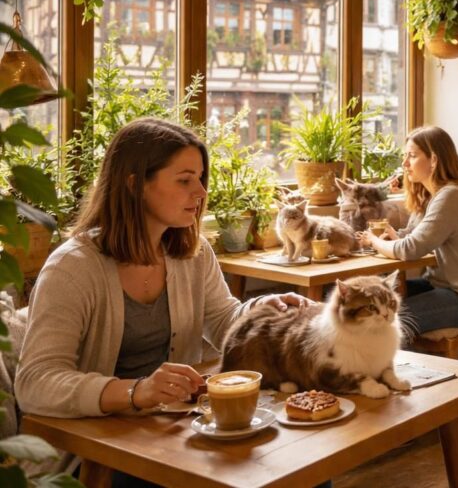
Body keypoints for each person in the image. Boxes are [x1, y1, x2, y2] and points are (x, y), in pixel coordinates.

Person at [16, 119, 312, 418]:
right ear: (134, 185)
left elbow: (222, 320)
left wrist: (259, 310)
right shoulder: (71, 268)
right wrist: (137, 391)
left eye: (200, 178)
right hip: (94, 440)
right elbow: (35, 383)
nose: (201, 192)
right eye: (184, 180)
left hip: (174, 427)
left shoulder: (193, 254)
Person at [359, 126, 458, 336]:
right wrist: (391, 235)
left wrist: (373, 241)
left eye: (412, 156)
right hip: (445, 286)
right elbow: (412, 236)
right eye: (405, 156)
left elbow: (410, 249)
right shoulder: (432, 196)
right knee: (369, 300)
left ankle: (409, 359)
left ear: (433, 160)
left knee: (388, 319)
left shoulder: (451, 196)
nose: (405, 163)